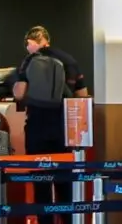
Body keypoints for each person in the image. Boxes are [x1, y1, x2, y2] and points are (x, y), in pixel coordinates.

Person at [8, 26, 86, 157]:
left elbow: (19, 93)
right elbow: (82, 96)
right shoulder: (69, 60)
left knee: (38, 169)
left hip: (37, 125)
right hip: (63, 127)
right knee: (62, 168)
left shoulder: (29, 61)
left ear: (30, 42)